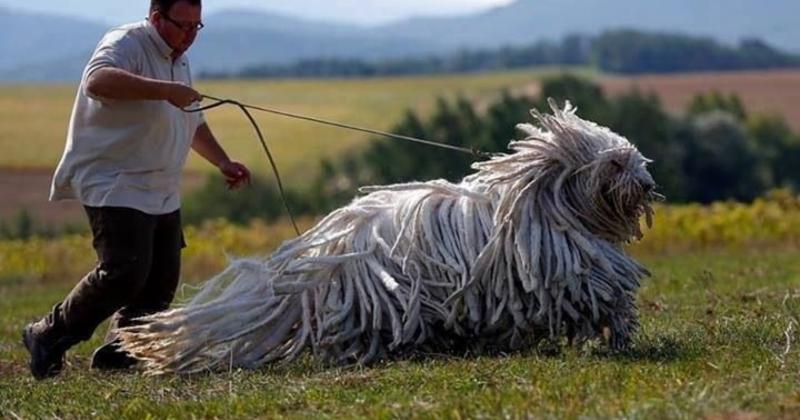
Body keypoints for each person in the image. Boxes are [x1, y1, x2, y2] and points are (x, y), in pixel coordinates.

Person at [22, 0, 252, 379]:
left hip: (160, 184)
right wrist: (164, 90)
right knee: (124, 272)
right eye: (183, 25)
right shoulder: (126, 42)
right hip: (115, 179)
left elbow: (191, 121)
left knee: (161, 281)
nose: (190, 36)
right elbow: (97, 80)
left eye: (198, 27)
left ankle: (121, 352)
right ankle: (48, 333)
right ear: (156, 18)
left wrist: (223, 162)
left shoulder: (178, 57)